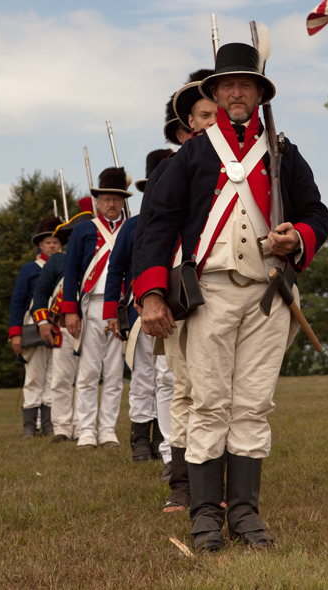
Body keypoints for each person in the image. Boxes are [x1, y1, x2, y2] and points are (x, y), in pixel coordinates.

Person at [135, 42, 328, 551]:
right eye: (228, 86)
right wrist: (152, 295)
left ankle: (245, 513)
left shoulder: (283, 152)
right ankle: (204, 516)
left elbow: (317, 214)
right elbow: (157, 224)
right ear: (216, 94)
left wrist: (298, 238)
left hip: (269, 295)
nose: (237, 92)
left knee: (252, 405)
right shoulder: (193, 155)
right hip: (212, 294)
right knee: (209, 404)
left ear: (259, 93)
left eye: (247, 85)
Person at [133, 69, 217, 513]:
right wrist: (151, 293)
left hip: (241, 290)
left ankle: (230, 485)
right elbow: (150, 235)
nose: (212, 122)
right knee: (183, 387)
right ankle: (184, 483)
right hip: (184, 290)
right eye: (204, 115)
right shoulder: (171, 168)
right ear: (188, 124)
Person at [103, 150, 173, 472]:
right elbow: (115, 271)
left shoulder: (179, 223)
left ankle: (164, 436)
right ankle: (140, 439)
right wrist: (111, 314)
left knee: (169, 376)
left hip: (176, 310)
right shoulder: (131, 228)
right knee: (144, 375)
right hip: (138, 312)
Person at [61, 167, 132, 450]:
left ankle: (108, 431)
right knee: (89, 372)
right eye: (106, 199)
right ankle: (88, 431)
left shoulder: (131, 227)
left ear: (123, 201)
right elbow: (71, 272)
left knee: (114, 373)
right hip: (91, 305)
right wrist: (70, 310)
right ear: (98, 201)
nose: (111, 203)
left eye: (116, 198)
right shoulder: (83, 230)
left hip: (121, 308)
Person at [32, 200, 94, 443]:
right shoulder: (57, 260)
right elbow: (40, 293)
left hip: (91, 325)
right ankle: (62, 427)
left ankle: (82, 426)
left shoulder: (98, 260)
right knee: (61, 379)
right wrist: (43, 322)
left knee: (86, 378)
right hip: (62, 327)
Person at [8, 216, 63, 438]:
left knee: (54, 377)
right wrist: (15, 334)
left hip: (58, 329)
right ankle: (30, 426)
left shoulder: (65, 266)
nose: (52, 245)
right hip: (33, 329)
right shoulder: (29, 268)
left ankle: (49, 424)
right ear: (40, 245)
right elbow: (18, 302)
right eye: (48, 242)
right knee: (33, 377)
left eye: (56, 242)